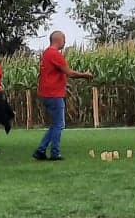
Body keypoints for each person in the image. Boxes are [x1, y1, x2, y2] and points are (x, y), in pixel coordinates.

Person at [34, 30, 94, 161]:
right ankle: (55, 152)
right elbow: (69, 73)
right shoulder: (54, 54)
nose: (65, 42)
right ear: (58, 39)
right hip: (54, 94)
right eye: (64, 39)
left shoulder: (46, 53)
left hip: (47, 93)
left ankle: (41, 150)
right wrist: (85, 75)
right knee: (59, 125)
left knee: (55, 124)